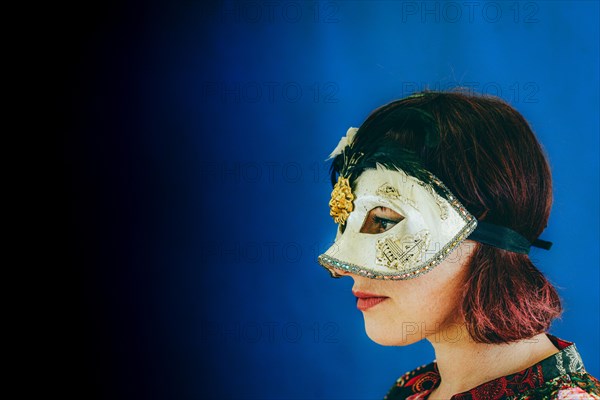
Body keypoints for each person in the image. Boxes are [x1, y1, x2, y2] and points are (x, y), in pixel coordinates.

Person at [317, 91, 600, 399]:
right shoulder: (411, 390)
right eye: (345, 223)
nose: (340, 267)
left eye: (384, 221)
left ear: (485, 227)